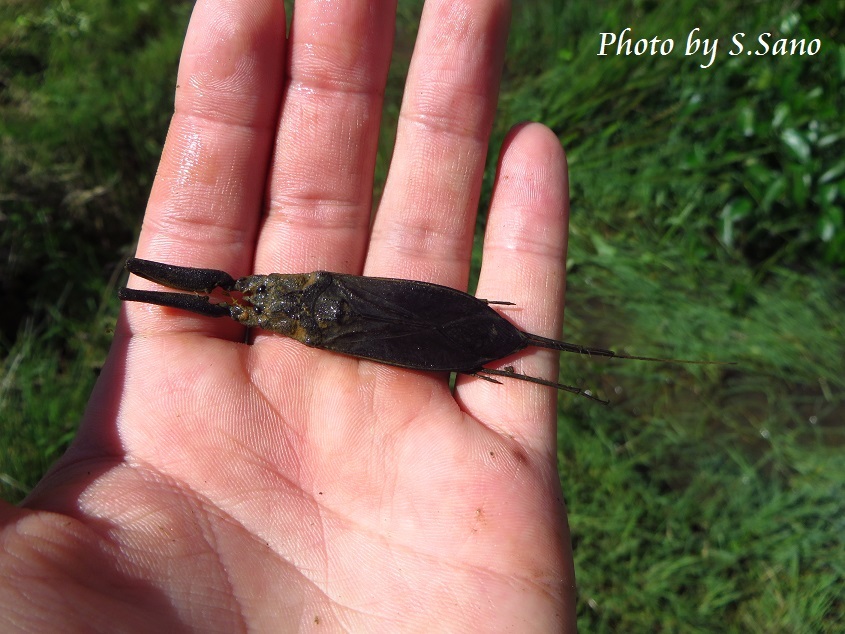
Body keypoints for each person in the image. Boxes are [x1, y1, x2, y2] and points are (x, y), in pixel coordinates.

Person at [0, 0, 576, 630]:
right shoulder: (290, 307)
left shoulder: (291, 316)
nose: (250, 300)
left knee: (350, 316)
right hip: (364, 318)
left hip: (374, 322)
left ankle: (520, 348)